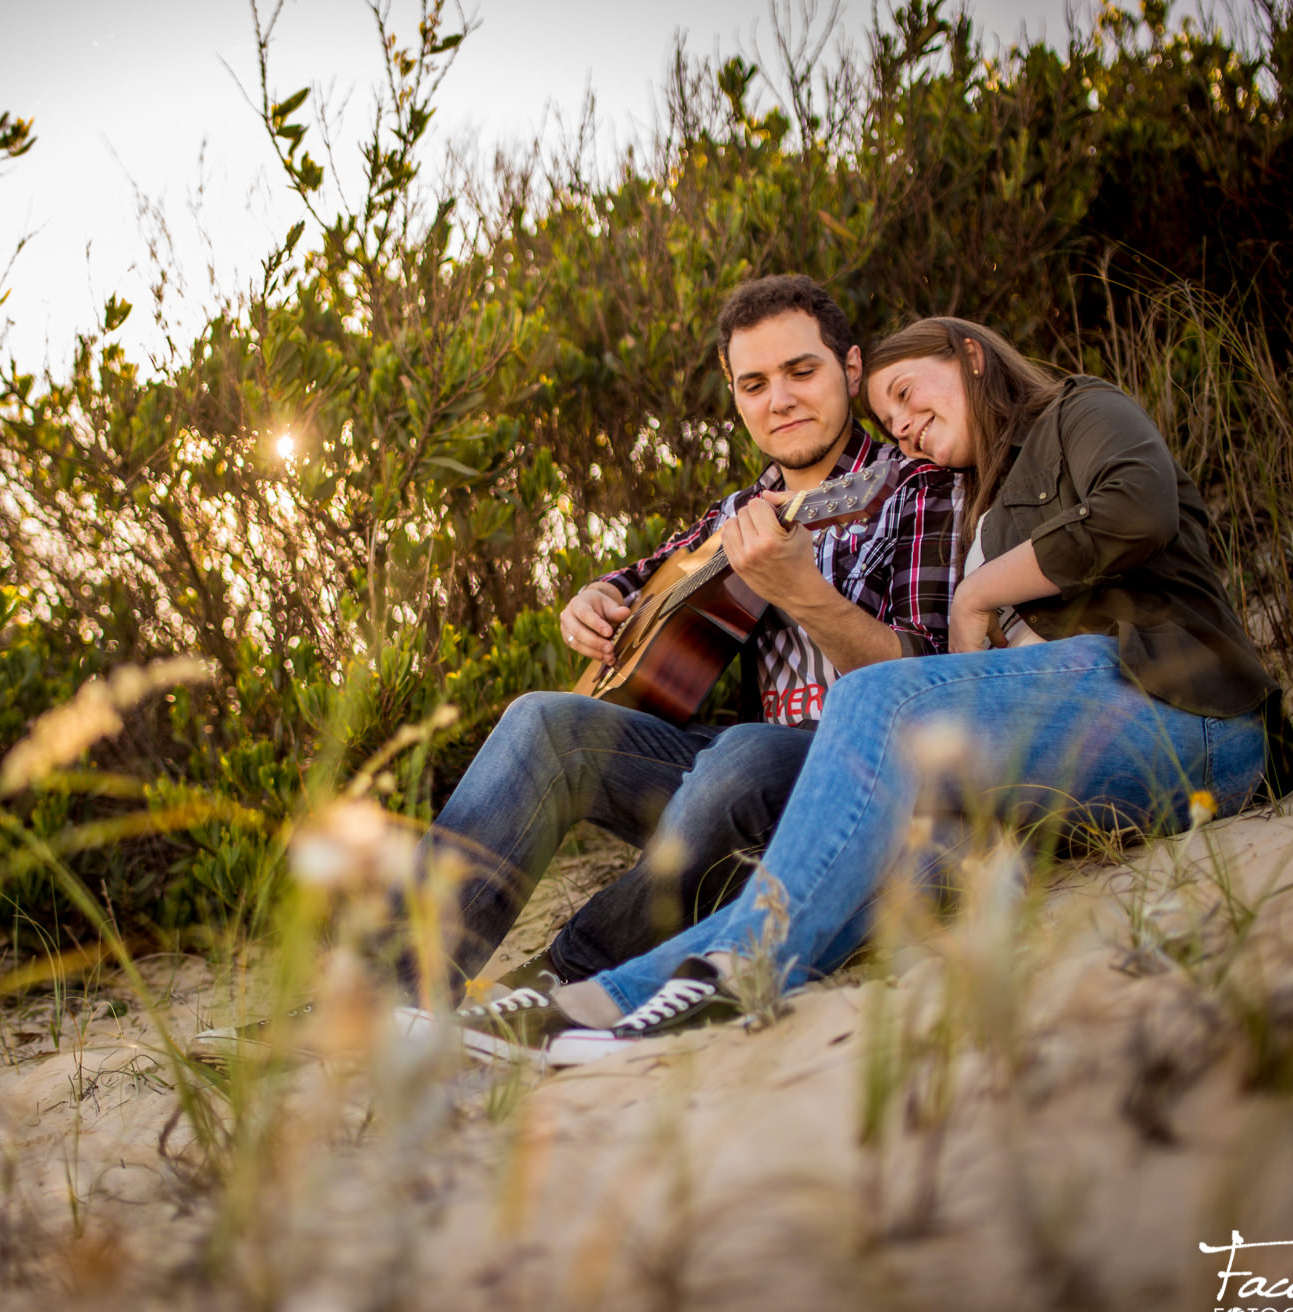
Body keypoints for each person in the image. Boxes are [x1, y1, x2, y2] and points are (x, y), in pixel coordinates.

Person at [471, 316, 1293, 1061]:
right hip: (1044, 751)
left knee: (855, 711)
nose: (905, 425)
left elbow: (1133, 510)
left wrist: (966, 598)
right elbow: (658, 572)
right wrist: (601, 595)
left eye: (905, 395)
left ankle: (647, 976)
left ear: (968, 355)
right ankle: (576, 1004)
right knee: (915, 859)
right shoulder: (969, 495)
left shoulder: (1061, 420)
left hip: (1182, 702)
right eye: (895, 417)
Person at [403, 276, 964, 1020]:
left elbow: (924, 683)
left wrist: (801, 589)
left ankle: (563, 974)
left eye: (802, 371)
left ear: (851, 370)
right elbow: (640, 579)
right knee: (544, 720)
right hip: (723, 800)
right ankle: (389, 991)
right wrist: (594, 598)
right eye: (755, 383)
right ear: (735, 397)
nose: (781, 400)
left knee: (744, 752)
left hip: (868, 784)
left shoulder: (915, 484)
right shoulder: (735, 513)